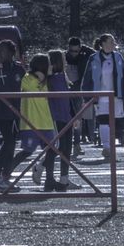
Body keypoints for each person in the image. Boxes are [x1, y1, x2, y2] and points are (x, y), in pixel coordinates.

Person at [19, 53, 65, 192]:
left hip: (46, 121)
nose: (52, 66)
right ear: (43, 66)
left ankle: (49, 179)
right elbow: (31, 88)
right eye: (49, 64)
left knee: (53, 149)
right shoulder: (28, 78)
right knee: (27, 151)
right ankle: (5, 174)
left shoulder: (50, 80)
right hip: (30, 122)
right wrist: (41, 78)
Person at [83, 34, 124, 160]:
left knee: (116, 121)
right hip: (100, 96)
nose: (114, 43)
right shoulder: (93, 58)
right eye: (111, 41)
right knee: (103, 120)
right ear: (103, 44)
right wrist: (86, 95)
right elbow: (87, 77)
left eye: (114, 41)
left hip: (117, 95)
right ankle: (107, 148)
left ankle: (112, 145)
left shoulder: (118, 57)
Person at [0, 39, 26, 193]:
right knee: (9, 142)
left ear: (11, 53)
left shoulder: (19, 70)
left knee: (12, 144)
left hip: (16, 113)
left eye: (2, 51)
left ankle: (5, 177)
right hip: (2, 114)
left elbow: (26, 89)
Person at [47, 49, 75, 188]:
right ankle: (40, 166)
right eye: (63, 59)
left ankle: (65, 178)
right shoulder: (49, 78)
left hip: (67, 116)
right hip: (56, 117)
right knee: (59, 147)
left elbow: (68, 98)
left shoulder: (63, 75)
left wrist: (74, 115)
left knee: (67, 149)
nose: (65, 62)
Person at [66, 36, 96, 151]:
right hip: (65, 90)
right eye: (72, 51)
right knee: (66, 118)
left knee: (77, 118)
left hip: (78, 90)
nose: (74, 53)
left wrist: (84, 48)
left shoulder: (85, 55)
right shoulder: (64, 56)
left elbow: (94, 54)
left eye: (76, 51)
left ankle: (76, 143)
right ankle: (65, 143)